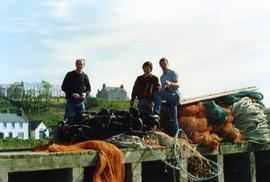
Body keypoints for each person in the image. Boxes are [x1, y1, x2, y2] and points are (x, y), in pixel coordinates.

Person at [153, 58, 181, 136]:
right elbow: (163, 90)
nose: (163, 65)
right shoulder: (162, 77)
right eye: (161, 64)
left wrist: (170, 83)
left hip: (175, 95)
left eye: (164, 63)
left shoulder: (172, 73)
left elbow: (178, 85)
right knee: (173, 118)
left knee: (157, 94)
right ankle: (176, 136)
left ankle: (156, 113)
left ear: (167, 64)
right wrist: (161, 88)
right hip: (169, 97)